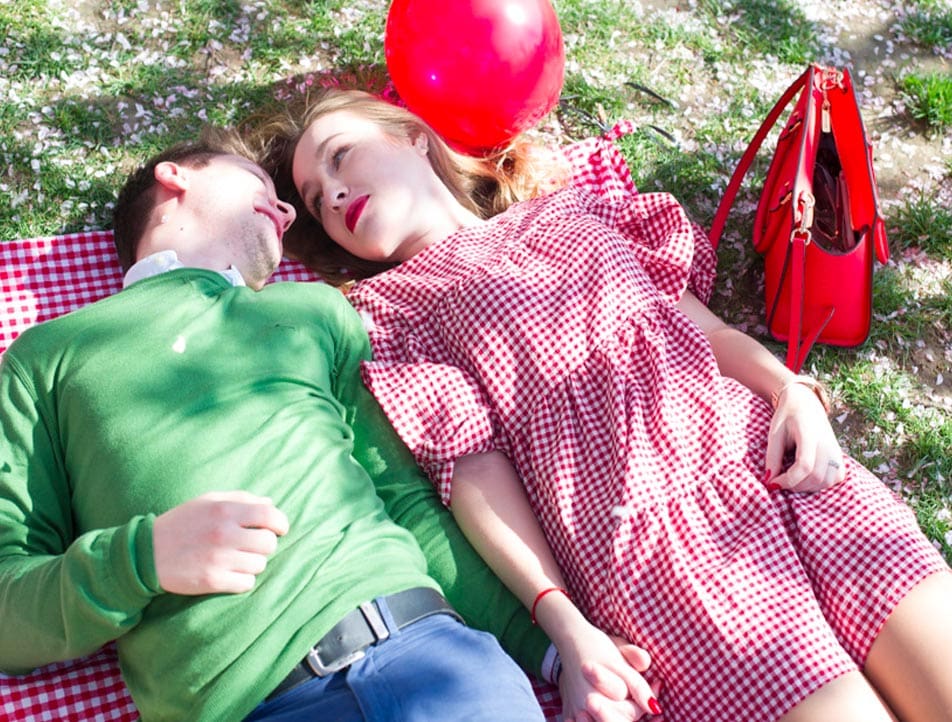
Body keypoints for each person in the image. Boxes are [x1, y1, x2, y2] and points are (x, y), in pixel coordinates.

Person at [249, 87, 952, 722]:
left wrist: (792, 392)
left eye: (341, 159)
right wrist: (564, 625)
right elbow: (475, 477)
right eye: (316, 199)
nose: (335, 195)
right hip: (659, 555)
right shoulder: (390, 315)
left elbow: (700, 329)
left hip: (777, 461)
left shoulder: (577, 209)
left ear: (410, 135)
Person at [0, 135, 585, 722]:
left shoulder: (317, 313)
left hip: (439, 660)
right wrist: (140, 561)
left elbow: (409, 504)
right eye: (261, 185)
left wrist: (558, 651)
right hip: (254, 703)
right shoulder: (49, 356)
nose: (284, 213)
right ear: (175, 177)